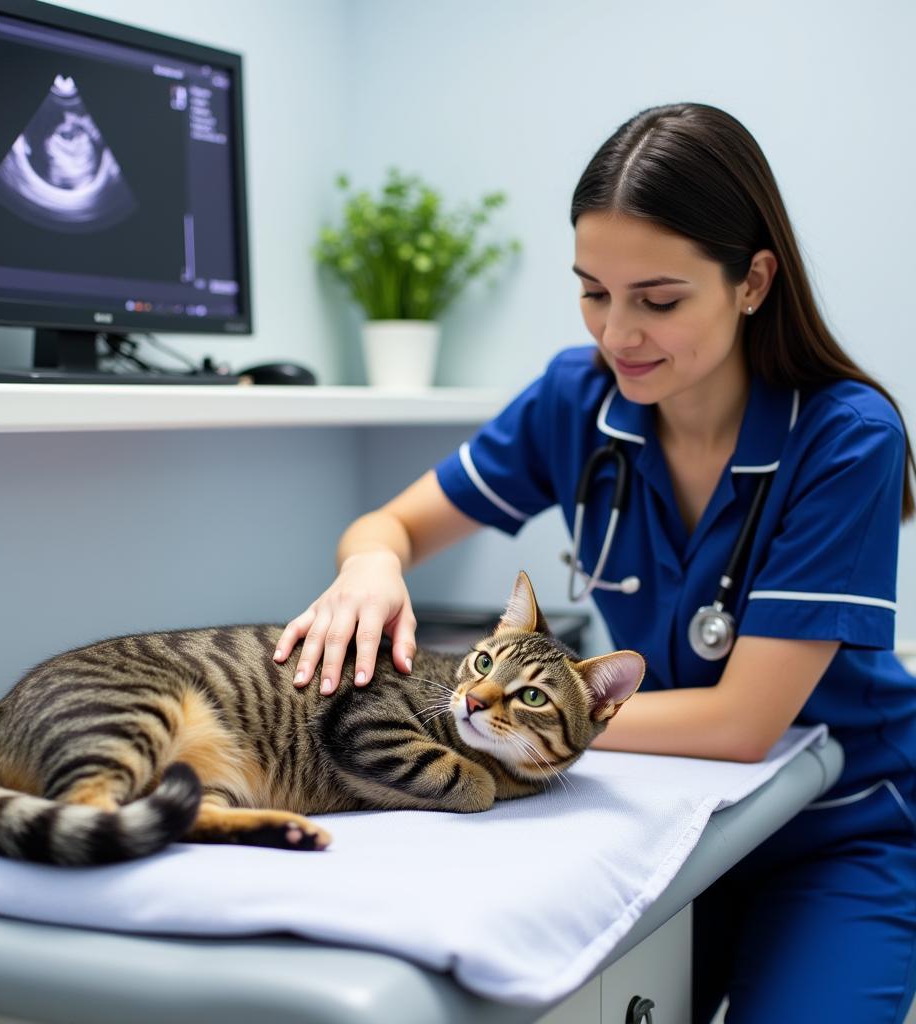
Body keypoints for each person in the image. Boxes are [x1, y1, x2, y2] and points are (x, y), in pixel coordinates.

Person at [273, 103, 916, 1022]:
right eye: (593, 291)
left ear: (752, 281)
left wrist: (499, 726)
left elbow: (743, 722)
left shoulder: (847, 440)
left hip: (833, 824)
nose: (618, 335)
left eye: (658, 300)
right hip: (671, 815)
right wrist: (371, 566)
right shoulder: (576, 401)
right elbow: (391, 527)